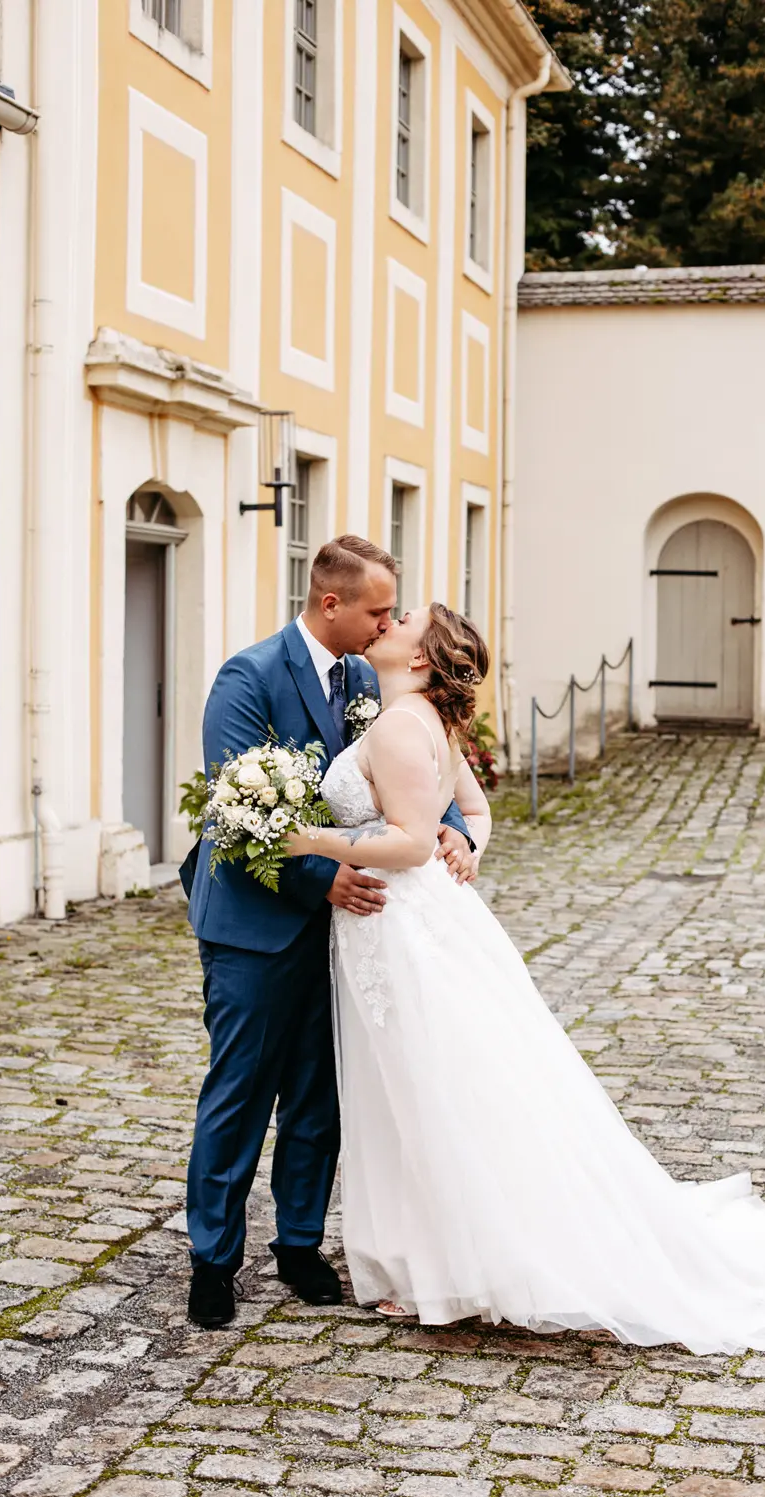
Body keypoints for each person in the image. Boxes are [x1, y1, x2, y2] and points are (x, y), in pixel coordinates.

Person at [285, 601, 765, 1351]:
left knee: (425, 1088)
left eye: (404, 620)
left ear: (424, 657)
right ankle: (433, 1259)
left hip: (404, 927)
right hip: (415, 923)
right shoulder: (428, 718)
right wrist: (472, 848)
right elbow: (474, 810)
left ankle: (446, 1266)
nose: (389, 622)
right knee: (434, 1085)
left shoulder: (403, 724)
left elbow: (405, 845)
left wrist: (304, 837)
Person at [180, 537, 477, 1330]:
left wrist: (455, 831)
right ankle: (213, 1260)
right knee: (239, 1093)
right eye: (381, 609)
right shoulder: (248, 678)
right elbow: (238, 808)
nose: (390, 621)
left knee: (320, 1096)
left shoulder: (366, 677)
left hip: (352, 931)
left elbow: (405, 770)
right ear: (332, 603)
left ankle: (301, 1244)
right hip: (256, 926)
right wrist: (326, 877)